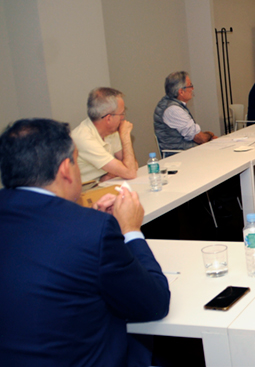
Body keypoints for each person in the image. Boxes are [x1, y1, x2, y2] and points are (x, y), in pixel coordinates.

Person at [0, 118, 171, 367]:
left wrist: (93, 230)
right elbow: (154, 304)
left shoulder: (88, 228)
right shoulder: (92, 229)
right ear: (65, 170)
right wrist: (131, 230)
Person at [71, 87, 138, 183]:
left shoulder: (110, 131)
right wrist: (125, 135)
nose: (123, 118)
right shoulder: (84, 138)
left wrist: (110, 175)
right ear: (109, 118)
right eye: (122, 113)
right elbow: (130, 173)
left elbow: (133, 166)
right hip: (83, 193)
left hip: (101, 185)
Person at [154, 71, 216, 155]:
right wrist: (210, 135)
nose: (192, 89)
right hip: (181, 157)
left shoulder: (170, 104)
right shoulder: (173, 110)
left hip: (187, 152)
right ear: (181, 92)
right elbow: (200, 138)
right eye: (190, 86)